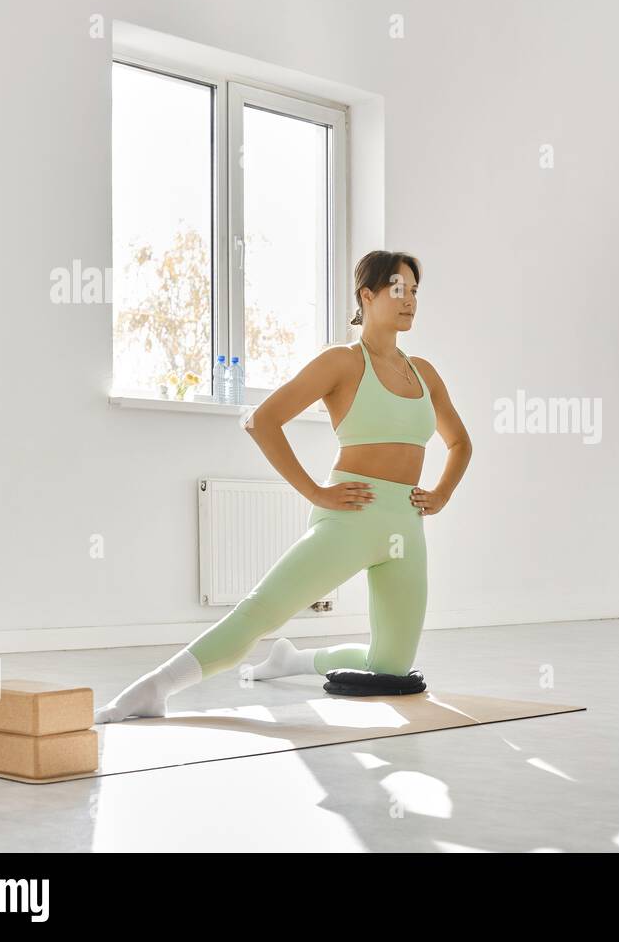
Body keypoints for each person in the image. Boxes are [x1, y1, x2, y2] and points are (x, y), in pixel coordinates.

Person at [95, 251, 471, 722]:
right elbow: (262, 420)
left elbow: (460, 443)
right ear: (367, 295)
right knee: (263, 610)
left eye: (415, 291)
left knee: (393, 667)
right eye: (399, 289)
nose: (410, 300)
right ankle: (155, 687)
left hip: (406, 526)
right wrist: (315, 492)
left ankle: (293, 661)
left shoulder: (425, 373)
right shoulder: (342, 362)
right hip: (353, 513)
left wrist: (441, 494)